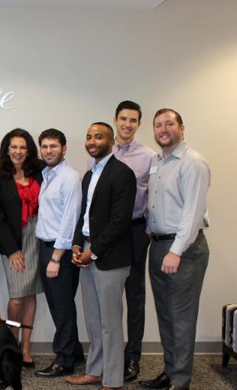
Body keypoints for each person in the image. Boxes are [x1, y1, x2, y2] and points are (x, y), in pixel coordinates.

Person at [139, 109, 210, 390]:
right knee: (166, 315)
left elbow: (193, 213)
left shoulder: (193, 163)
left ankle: (180, 382)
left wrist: (176, 251)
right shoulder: (158, 160)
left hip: (184, 249)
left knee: (181, 317)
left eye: (169, 124)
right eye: (158, 125)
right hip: (158, 245)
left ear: (182, 128)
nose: (163, 129)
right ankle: (170, 373)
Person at [66, 122, 136, 390]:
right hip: (86, 251)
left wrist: (92, 253)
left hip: (110, 258)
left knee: (110, 324)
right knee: (94, 320)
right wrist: (76, 245)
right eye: (89, 137)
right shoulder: (89, 174)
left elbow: (119, 222)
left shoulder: (122, 174)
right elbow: (84, 216)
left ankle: (113, 379)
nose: (92, 141)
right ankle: (95, 371)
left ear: (111, 141)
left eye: (98, 137)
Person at [109, 100, 156, 382]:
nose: (127, 124)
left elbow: (154, 195)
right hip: (108, 235)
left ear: (139, 124)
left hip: (136, 231)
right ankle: (111, 355)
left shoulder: (148, 156)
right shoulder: (101, 151)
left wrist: (148, 230)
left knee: (134, 297)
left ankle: (132, 358)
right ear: (115, 119)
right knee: (108, 297)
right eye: (123, 118)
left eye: (133, 120)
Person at [0, 128, 45, 368]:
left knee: (31, 293)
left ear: (29, 150)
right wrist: (12, 250)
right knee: (16, 296)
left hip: (39, 235)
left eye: (23, 147)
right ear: (7, 149)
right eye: (14, 147)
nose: (18, 151)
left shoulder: (41, 171)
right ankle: (11, 344)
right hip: (12, 238)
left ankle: (25, 347)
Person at [34, 129, 85, 378]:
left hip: (59, 252)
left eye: (53, 146)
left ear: (64, 149)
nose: (48, 150)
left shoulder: (69, 177)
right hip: (46, 248)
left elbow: (70, 220)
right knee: (57, 305)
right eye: (44, 146)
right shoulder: (47, 175)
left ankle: (64, 360)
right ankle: (74, 351)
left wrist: (56, 257)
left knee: (62, 307)